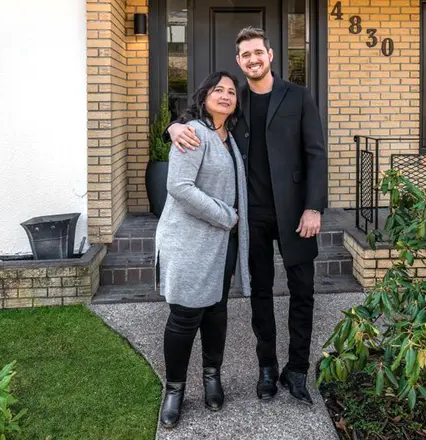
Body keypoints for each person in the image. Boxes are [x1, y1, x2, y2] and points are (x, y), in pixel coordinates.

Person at [166, 26, 327, 406]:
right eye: (245, 55)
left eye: (258, 52)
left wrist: (314, 206)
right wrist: (173, 128)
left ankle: (298, 369)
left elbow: (316, 154)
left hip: (297, 214)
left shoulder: (299, 96)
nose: (253, 59)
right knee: (260, 294)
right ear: (240, 62)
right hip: (250, 216)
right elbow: (200, 123)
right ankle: (267, 368)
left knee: (303, 293)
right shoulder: (233, 100)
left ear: (270, 55)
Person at [155, 71, 250, 429]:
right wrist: (227, 215)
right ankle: (174, 390)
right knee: (183, 316)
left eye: (231, 91)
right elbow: (178, 187)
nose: (225, 95)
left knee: (215, 311)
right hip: (189, 241)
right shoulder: (193, 132)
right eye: (218, 90)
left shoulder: (230, 137)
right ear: (205, 95)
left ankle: (213, 377)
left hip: (219, 244)